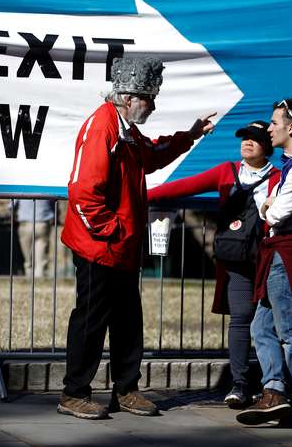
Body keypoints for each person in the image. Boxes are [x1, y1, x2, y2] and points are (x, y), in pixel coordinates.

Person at [58, 56, 216, 420]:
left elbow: (151, 155)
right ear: (128, 98)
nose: (153, 105)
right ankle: (73, 393)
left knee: (128, 320)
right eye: (149, 98)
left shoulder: (124, 130)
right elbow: (84, 193)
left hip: (121, 246)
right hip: (101, 247)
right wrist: (112, 230)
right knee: (91, 320)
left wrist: (187, 137)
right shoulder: (103, 128)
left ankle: (126, 389)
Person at [147, 120, 281, 408]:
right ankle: (240, 384)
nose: (247, 142)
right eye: (244, 137)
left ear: (267, 146)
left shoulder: (281, 177)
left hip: (270, 260)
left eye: (255, 138)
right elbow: (182, 187)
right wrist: (140, 197)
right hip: (236, 261)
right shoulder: (227, 171)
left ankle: (276, 388)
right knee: (241, 320)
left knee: (273, 325)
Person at [235, 98, 292, 427]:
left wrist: (268, 205)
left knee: (291, 330)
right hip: (278, 252)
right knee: (261, 326)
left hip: (289, 252)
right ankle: (274, 391)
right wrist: (270, 203)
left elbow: (278, 213)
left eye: (274, 123)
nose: (268, 129)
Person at [15, 199, 55, 278]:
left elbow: (12, 205)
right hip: (42, 222)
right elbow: (54, 203)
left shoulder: (21, 187)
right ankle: (39, 284)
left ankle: (29, 283)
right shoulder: (47, 187)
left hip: (25, 223)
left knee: (28, 261)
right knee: (41, 260)